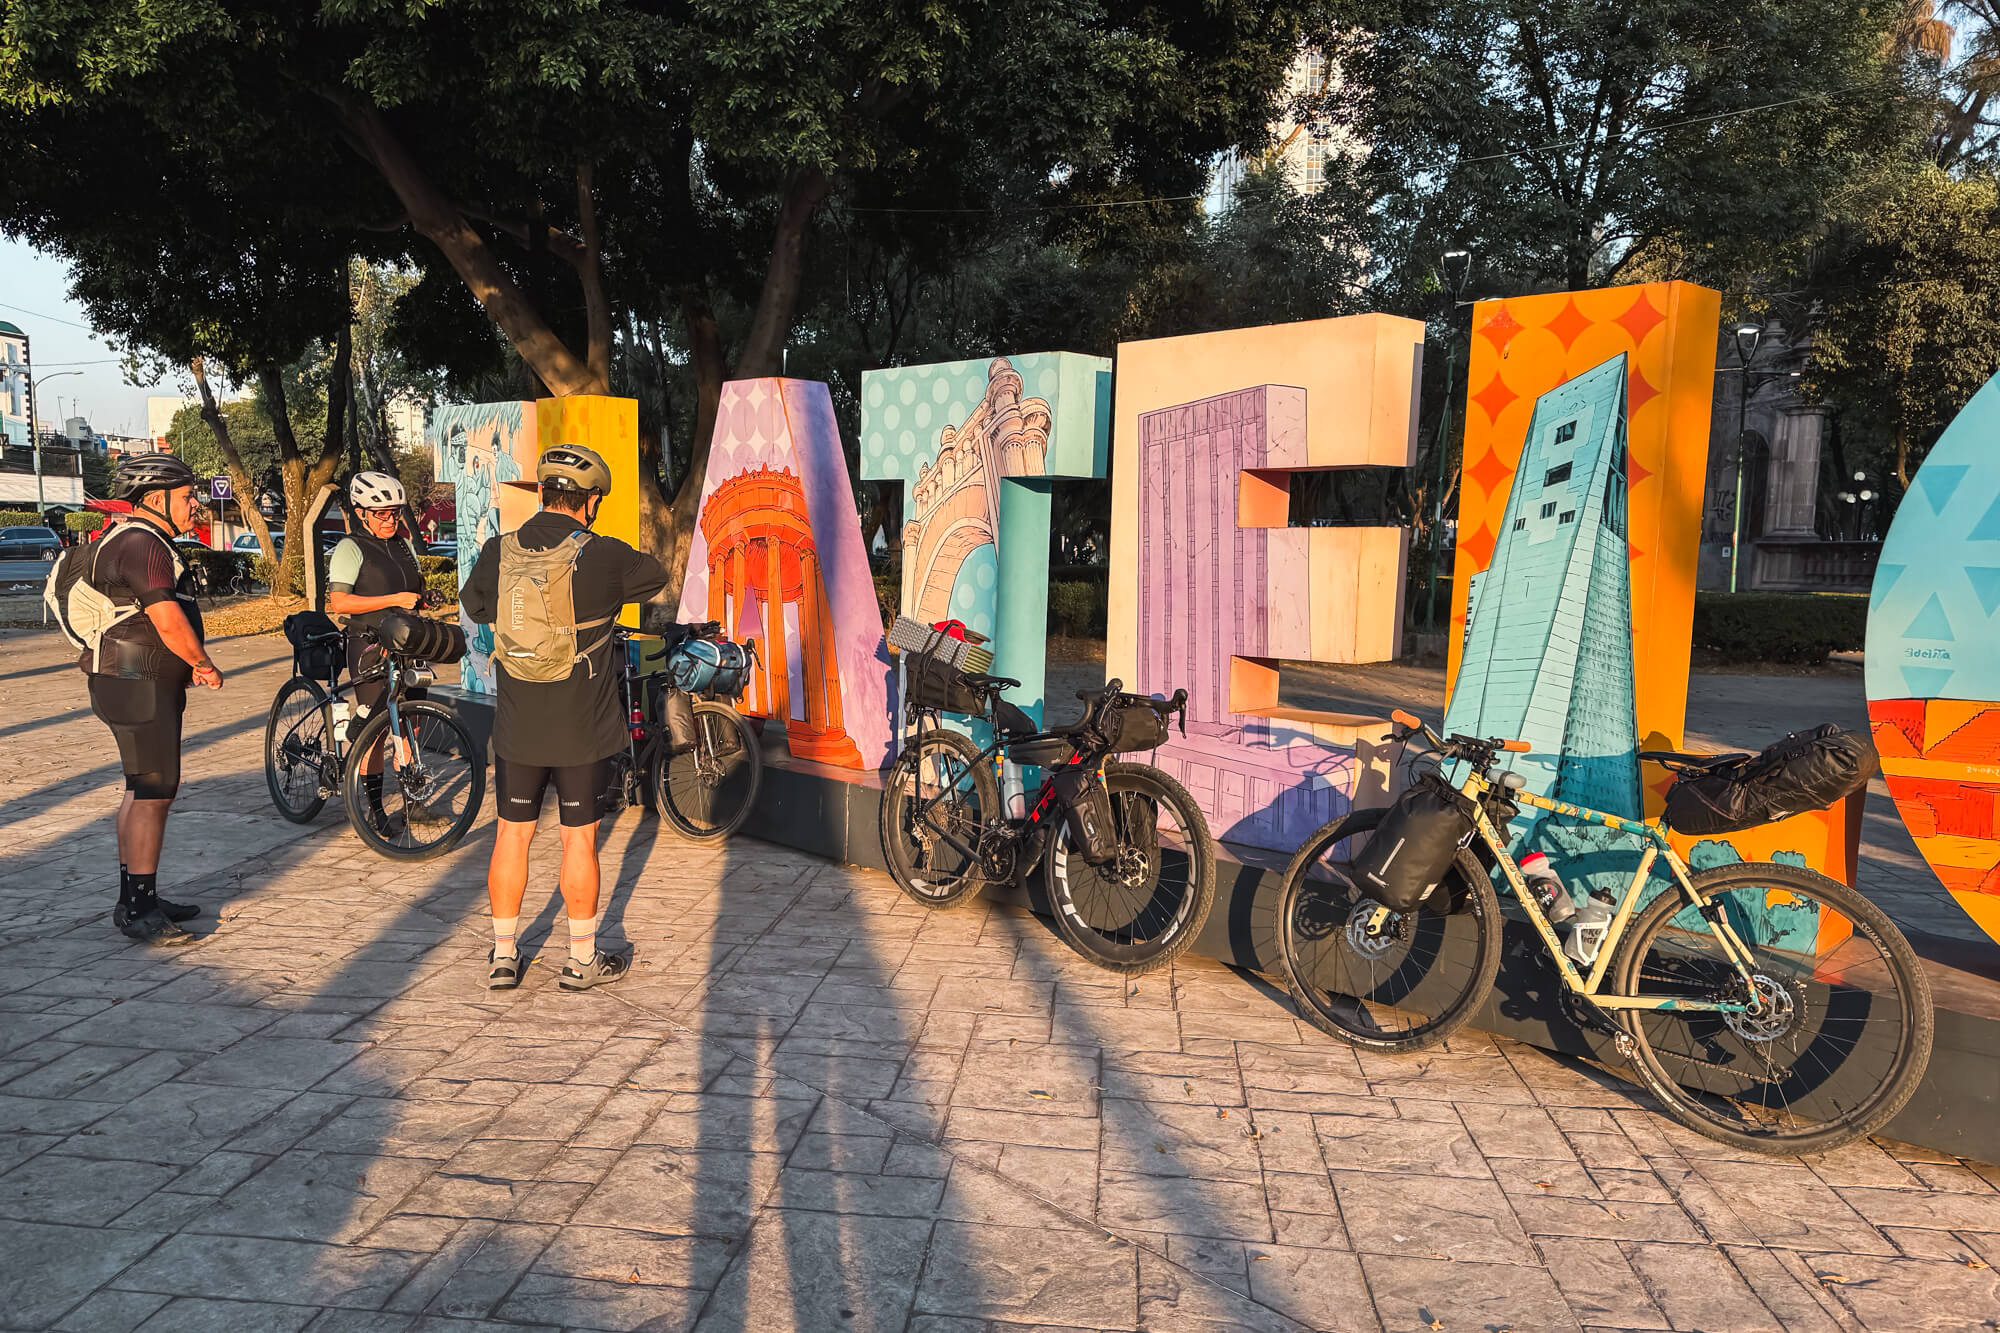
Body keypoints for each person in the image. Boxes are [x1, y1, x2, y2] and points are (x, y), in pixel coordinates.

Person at [461, 444, 669, 991]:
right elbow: (655, 575)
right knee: (579, 840)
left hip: (517, 724)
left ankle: (504, 955)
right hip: (583, 726)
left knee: (512, 835)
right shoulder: (602, 554)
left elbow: (476, 606)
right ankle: (580, 959)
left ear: (542, 492)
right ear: (591, 500)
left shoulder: (499, 550)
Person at [78, 454, 224, 944]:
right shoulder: (145, 543)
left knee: (139, 787)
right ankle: (140, 911)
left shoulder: (128, 538)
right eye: (187, 496)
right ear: (156, 499)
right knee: (155, 790)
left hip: (126, 680)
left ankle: (136, 896)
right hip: (138, 681)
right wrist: (202, 663)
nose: (195, 504)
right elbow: (166, 618)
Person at [325, 471, 426, 833]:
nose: (390, 520)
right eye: (381, 513)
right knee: (376, 730)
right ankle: (375, 811)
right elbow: (339, 601)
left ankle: (414, 806)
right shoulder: (351, 547)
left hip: (408, 644)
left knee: (411, 724)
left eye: (395, 512)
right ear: (361, 513)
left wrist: (422, 599)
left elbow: (414, 592)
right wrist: (393, 599)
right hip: (369, 645)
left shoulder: (404, 545)